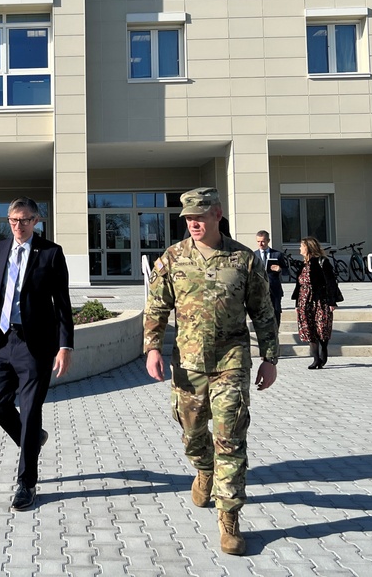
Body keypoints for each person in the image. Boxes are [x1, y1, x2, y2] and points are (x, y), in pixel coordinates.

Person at [143, 187, 278, 556]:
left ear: (217, 213)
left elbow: (263, 312)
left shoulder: (244, 259)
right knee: (190, 430)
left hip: (230, 361)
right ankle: (203, 469)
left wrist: (269, 357)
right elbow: (156, 308)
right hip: (187, 363)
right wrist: (151, 348)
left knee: (230, 439)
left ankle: (229, 519)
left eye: (199, 216)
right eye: (188, 218)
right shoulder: (173, 258)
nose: (193, 223)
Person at [0, 197, 74, 512]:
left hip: (35, 345)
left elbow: (63, 305)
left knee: (30, 413)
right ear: (8, 220)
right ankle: (33, 439)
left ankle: (26, 483)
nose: (20, 226)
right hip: (1, 342)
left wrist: (65, 346)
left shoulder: (51, 254)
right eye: (14, 220)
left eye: (26, 220)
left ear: (37, 220)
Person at [292, 237, 342, 370]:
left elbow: (330, 282)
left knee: (321, 328)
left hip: (320, 300)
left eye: (302, 246)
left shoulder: (322, 262)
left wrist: (332, 301)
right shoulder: (303, 264)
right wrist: (298, 302)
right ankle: (315, 359)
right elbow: (300, 284)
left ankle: (323, 351)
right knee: (309, 329)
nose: (300, 249)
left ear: (308, 247)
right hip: (304, 300)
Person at [254, 230, 286, 327]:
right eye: (258, 241)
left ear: (268, 241)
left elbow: (286, 271)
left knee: (276, 312)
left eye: (263, 241)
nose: (261, 244)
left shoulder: (277, 254)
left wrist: (280, 269)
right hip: (259, 289)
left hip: (274, 288)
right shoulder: (253, 255)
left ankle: (276, 332)